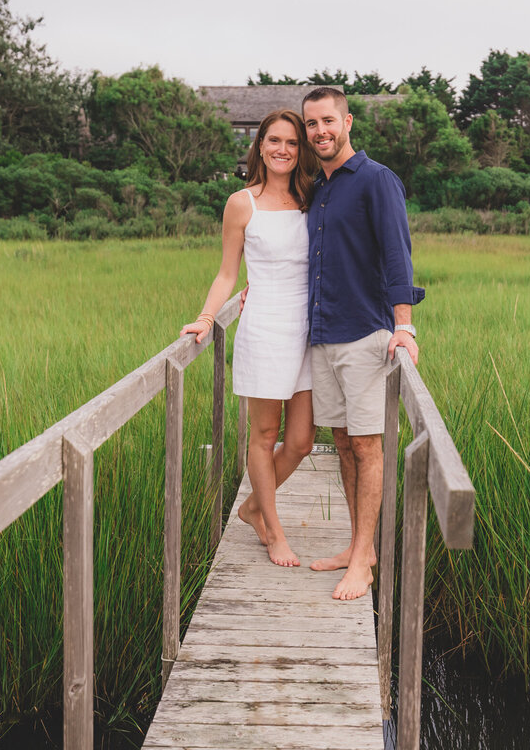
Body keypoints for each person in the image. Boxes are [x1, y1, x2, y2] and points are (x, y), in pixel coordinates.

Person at [301, 87, 424, 600]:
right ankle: (359, 549)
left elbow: (397, 254)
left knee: (368, 446)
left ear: (347, 121)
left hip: (366, 337)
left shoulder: (376, 180)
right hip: (323, 337)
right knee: (344, 446)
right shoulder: (316, 188)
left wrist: (405, 325)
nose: (320, 132)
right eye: (312, 124)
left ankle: (364, 560)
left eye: (328, 121)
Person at [180, 109, 317, 567]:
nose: (283, 149)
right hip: (263, 326)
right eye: (274, 140)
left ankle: (253, 506)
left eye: (292, 143)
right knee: (263, 434)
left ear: (301, 152)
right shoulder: (242, 203)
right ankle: (274, 532)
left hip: (308, 329)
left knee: (299, 440)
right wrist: (205, 317)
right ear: (259, 146)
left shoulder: (312, 197)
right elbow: (227, 272)